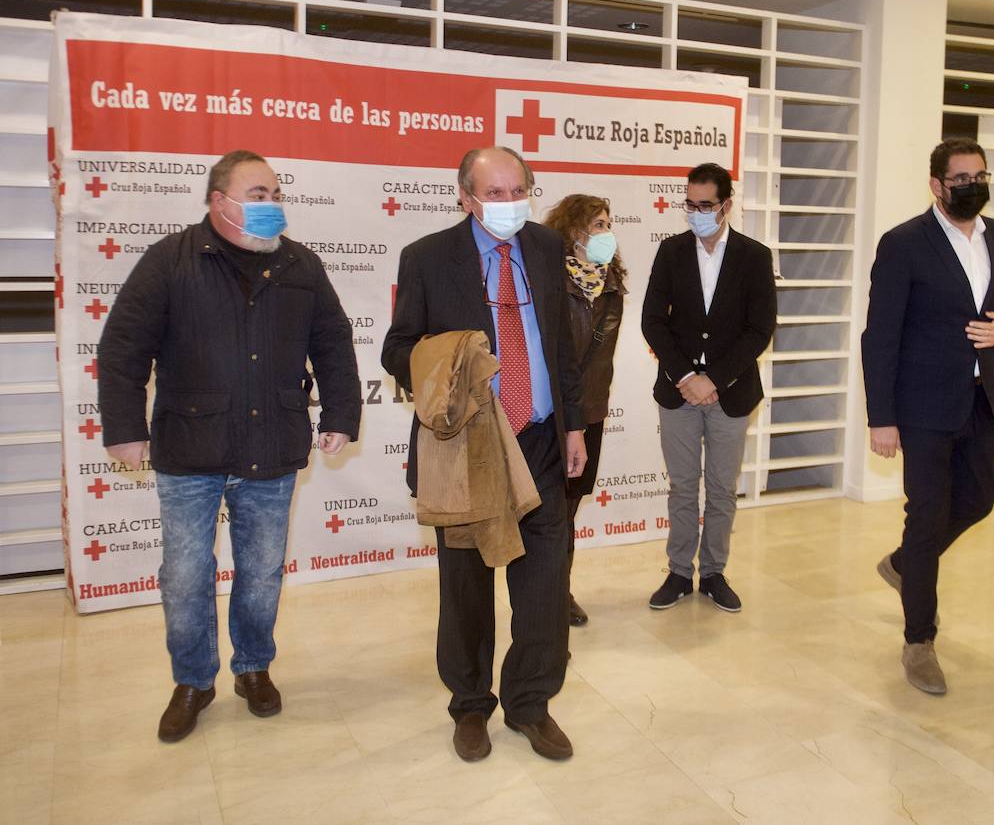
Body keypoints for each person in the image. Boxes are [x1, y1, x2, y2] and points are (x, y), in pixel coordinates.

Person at [97, 149, 360, 743]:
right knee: (185, 575)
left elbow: (333, 342)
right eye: (258, 195)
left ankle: (253, 667)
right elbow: (123, 348)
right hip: (190, 446)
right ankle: (193, 680)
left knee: (262, 571)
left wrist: (342, 414)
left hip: (273, 444)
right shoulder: (170, 260)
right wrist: (125, 428)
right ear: (219, 202)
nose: (273, 205)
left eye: (276, 195)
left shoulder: (299, 264)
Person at [381, 146, 587, 763]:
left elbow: (563, 346)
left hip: (541, 440)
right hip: (468, 448)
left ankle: (530, 702)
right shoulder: (427, 257)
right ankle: (470, 705)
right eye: (494, 193)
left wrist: (575, 427)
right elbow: (397, 349)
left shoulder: (547, 248)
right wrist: (451, 361)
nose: (509, 203)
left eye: (518, 190)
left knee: (545, 584)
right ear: (466, 197)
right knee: (467, 587)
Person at [861, 137, 994, 695]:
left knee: (979, 499)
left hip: (980, 398)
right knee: (928, 516)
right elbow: (880, 335)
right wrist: (881, 416)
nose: (973, 186)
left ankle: (906, 564)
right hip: (922, 405)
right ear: (936, 185)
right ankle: (919, 640)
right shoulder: (904, 243)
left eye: (981, 176)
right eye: (961, 179)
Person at [640, 162, 776, 612]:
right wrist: (686, 377)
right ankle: (679, 572)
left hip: (730, 393)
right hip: (677, 390)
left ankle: (714, 572)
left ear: (726, 205)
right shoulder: (671, 251)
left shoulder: (754, 257)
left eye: (705, 205)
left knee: (720, 489)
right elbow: (653, 321)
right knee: (682, 487)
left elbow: (760, 329)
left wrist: (713, 379)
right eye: (690, 204)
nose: (696, 213)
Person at [544, 194, 627, 628]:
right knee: (550, 511)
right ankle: (547, 596)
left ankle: (560, 591)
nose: (606, 233)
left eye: (608, 224)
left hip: (591, 410)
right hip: (552, 412)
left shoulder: (611, 283)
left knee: (569, 507)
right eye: (598, 225)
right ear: (574, 230)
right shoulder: (550, 279)